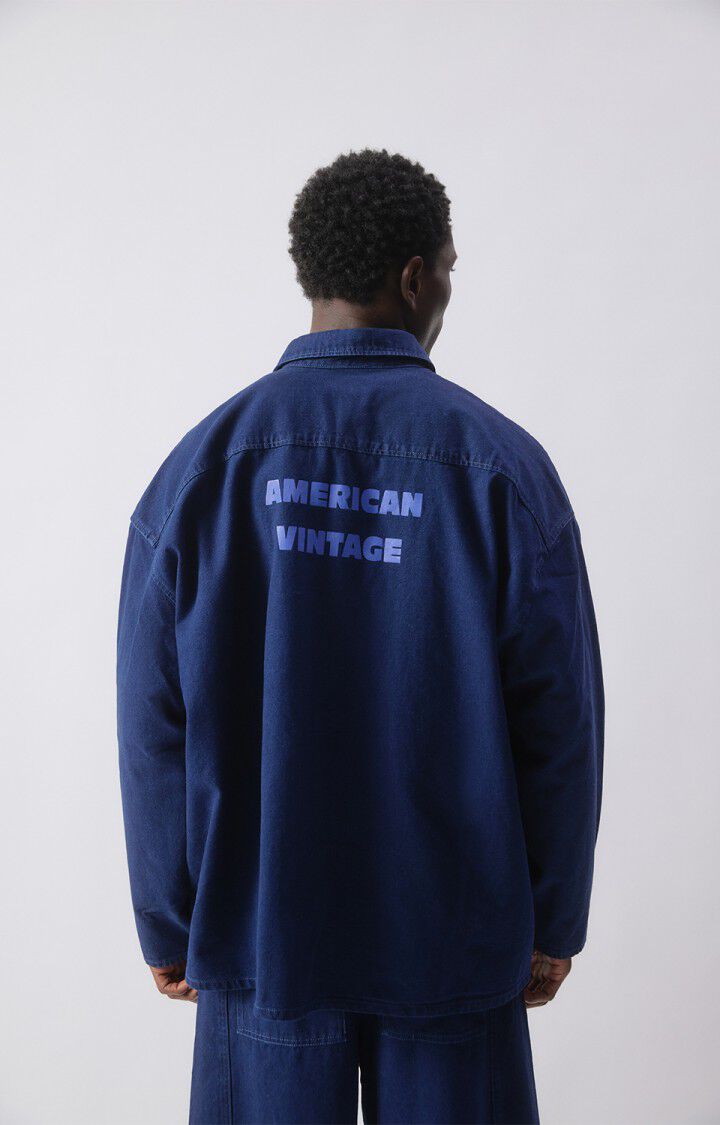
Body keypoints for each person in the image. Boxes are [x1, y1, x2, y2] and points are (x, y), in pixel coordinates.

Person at [117, 149, 604, 1125]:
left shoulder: (203, 470)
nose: (447, 289)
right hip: (455, 935)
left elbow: (151, 719)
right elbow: (561, 718)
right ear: (415, 276)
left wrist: (169, 918)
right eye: (449, 268)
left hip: (261, 932)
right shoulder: (502, 471)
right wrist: (553, 917)